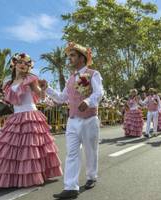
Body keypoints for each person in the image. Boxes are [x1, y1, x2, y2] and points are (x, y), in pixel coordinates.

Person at [0, 53, 62, 188]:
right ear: (14, 64)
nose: (23, 65)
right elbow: (7, 102)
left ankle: (31, 176)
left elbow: (40, 95)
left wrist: (43, 88)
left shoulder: (31, 79)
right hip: (16, 116)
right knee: (11, 149)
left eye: (27, 63)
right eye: (20, 62)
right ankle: (13, 178)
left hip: (30, 116)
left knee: (30, 149)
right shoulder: (8, 84)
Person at [43, 42, 104, 199]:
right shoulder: (70, 79)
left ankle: (91, 176)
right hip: (72, 120)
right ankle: (71, 187)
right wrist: (47, 88)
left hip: (89, 119)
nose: (69, 58)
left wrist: (88, 102)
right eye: (68, 55)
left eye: (72, 55)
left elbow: (99, 92)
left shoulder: (93, 73)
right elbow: (62, 98)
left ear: (82, 58)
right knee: (71, 153)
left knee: (91, 151)